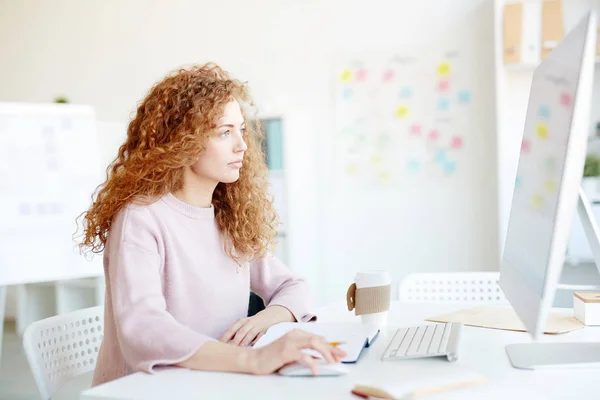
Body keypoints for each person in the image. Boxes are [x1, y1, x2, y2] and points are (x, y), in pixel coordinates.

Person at [77, 63, 346, 386]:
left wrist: (265, 319)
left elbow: (293, 286)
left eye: (241, 130)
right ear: (181, 141)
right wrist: (253, 359)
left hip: (214, 382)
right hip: (145, 390)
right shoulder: (141, 218)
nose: (242, 146)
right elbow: (144, 328)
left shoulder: (228, 216)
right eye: (224, 132)